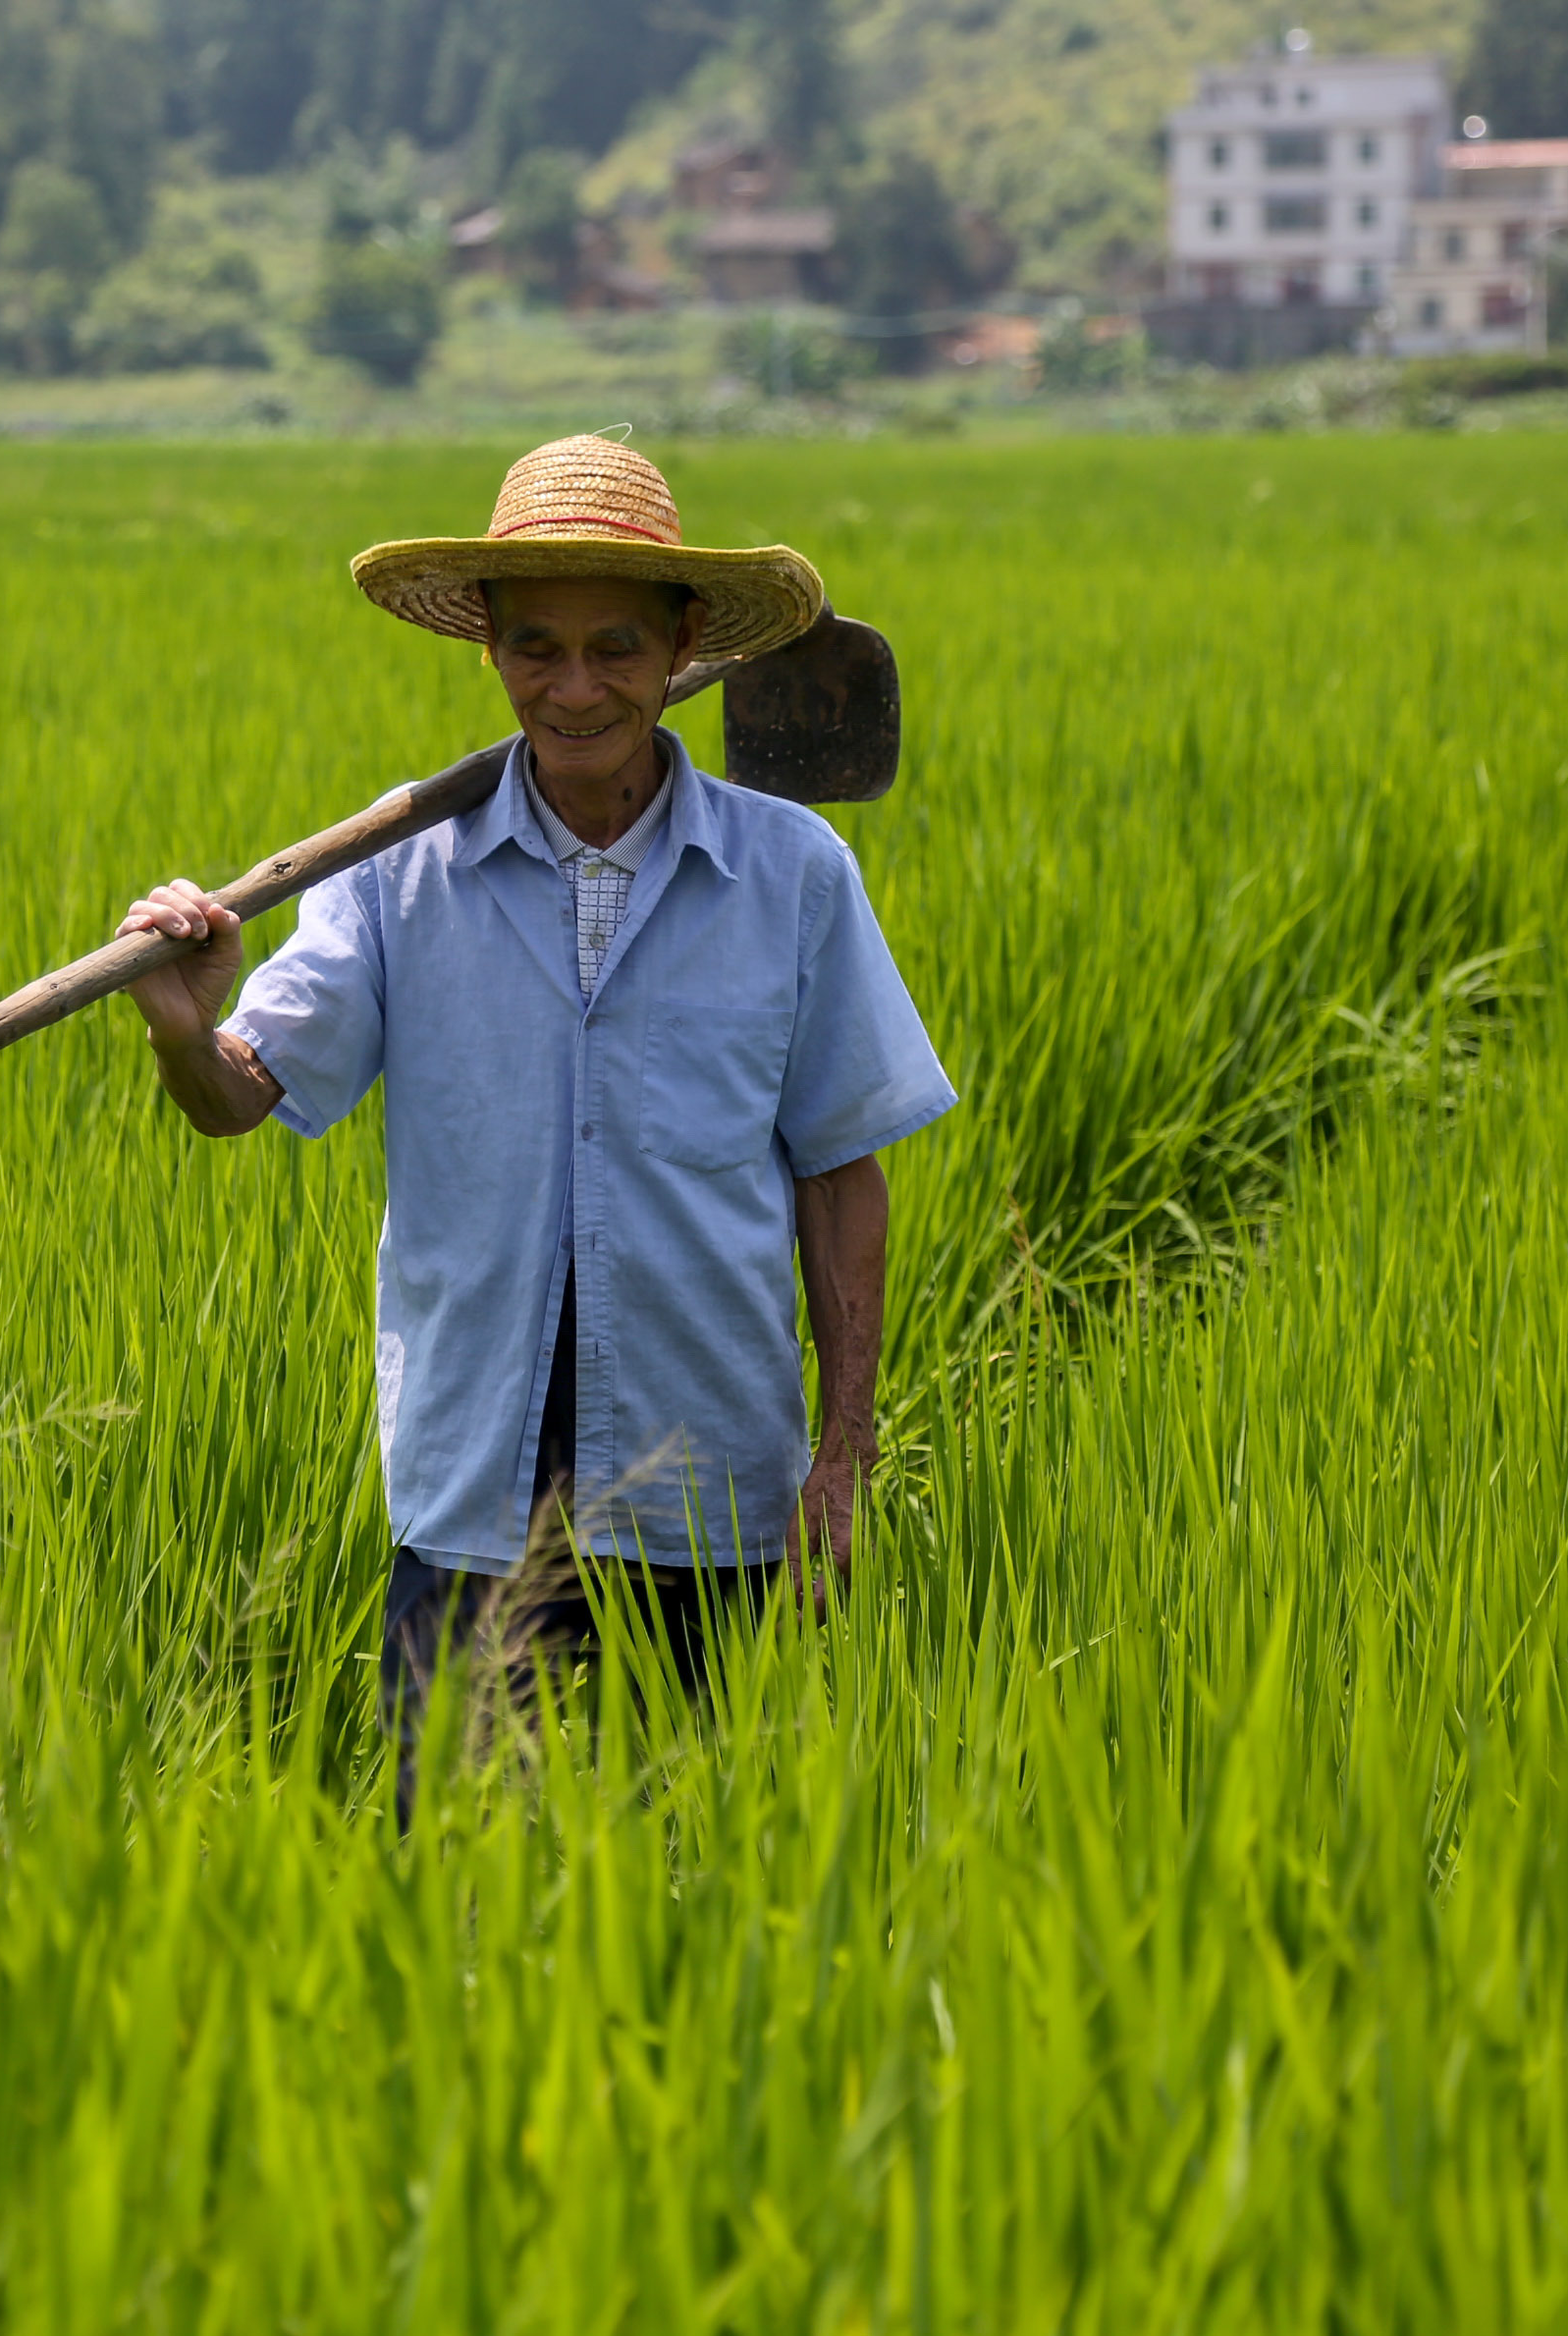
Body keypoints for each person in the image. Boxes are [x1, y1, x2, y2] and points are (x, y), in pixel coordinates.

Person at [116, 434, 954, 1823]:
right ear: (490, 648)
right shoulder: (395, 880)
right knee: (450, 1892)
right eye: (539, 649)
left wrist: (844, 1461)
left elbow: (840, 1174)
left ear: (686, 643)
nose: (577, 690)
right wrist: (179, 1025)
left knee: (704, 1891)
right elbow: (239, 1098)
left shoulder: (790, 875)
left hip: (712, 1504)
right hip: (472, 1500)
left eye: (617, 649)